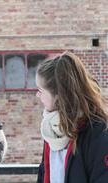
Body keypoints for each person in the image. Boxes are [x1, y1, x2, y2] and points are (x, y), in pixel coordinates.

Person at [35, 51, 108, 183]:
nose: (37, 95)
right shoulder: (52, 129)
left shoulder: (97, 132)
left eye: (41, 91)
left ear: (58, 96)